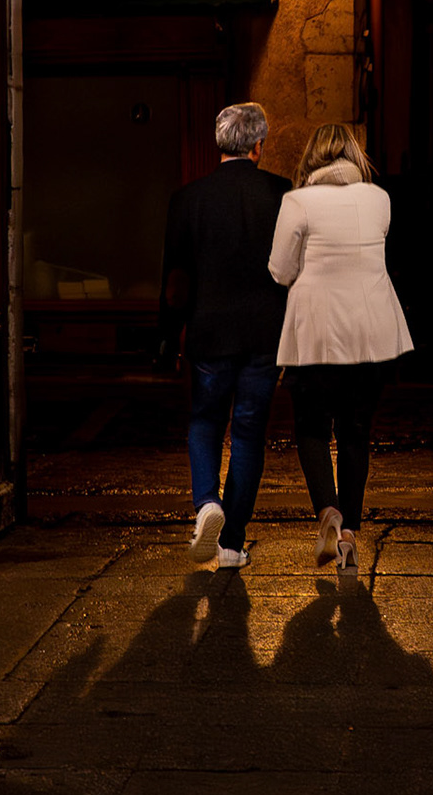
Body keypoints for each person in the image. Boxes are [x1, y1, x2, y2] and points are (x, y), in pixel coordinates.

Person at [268, 122, 413, 579]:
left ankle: (327, 512)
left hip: (316, 334)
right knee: (355, 434)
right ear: (354, 156)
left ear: (312, 157)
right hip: (371, 333)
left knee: (311, 429)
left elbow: (279, 270)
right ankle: (349, 535)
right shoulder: (378, 199)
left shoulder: (297, 202)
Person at [159, 101, 291, 569]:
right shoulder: (281, 193)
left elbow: (176, 279)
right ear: (258, 145)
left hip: (208, 331)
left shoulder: (188, 198)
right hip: (264, 333)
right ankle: (232, 544)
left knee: (205, 419)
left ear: (220, 144)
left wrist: (166, 334)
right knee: (250, 435)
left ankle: (206, 504)